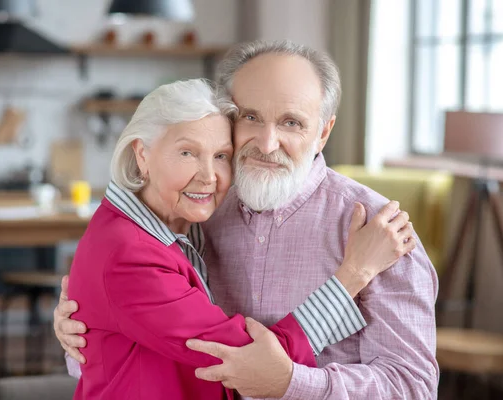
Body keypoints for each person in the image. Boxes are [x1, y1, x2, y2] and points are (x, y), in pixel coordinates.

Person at [57, 40, 438, 399]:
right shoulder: (198, 207)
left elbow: (413, 389)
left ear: (323, 132)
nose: (268, 143)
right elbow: (109, 355)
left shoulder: (378, 234)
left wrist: (294, 384)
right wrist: (84, 330)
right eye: (251, 117)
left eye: (291, 123)